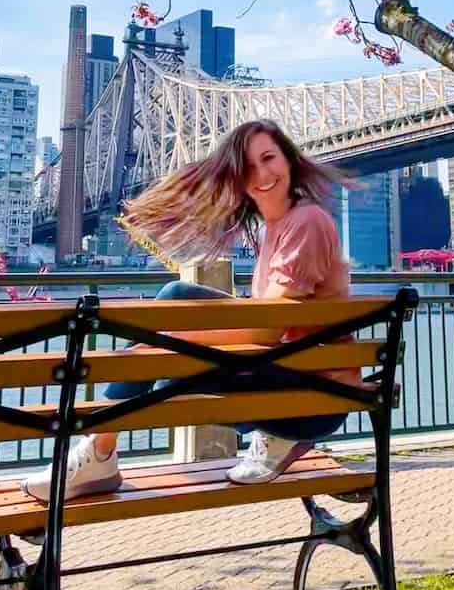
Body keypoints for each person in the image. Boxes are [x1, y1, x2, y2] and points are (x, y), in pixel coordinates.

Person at [22, 119, 354, 503]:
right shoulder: (277, 225)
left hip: (313, 400)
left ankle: (97, 453)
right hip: (299, 376)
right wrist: (171, 342)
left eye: (269, 158)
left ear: (290, 161)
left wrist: (168, 342)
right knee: (176, 294)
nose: (262, 173)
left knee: (164, 374)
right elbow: (273, 322)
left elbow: (265, 332)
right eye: (249, 167)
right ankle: (100, 448)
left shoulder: (306, 222)